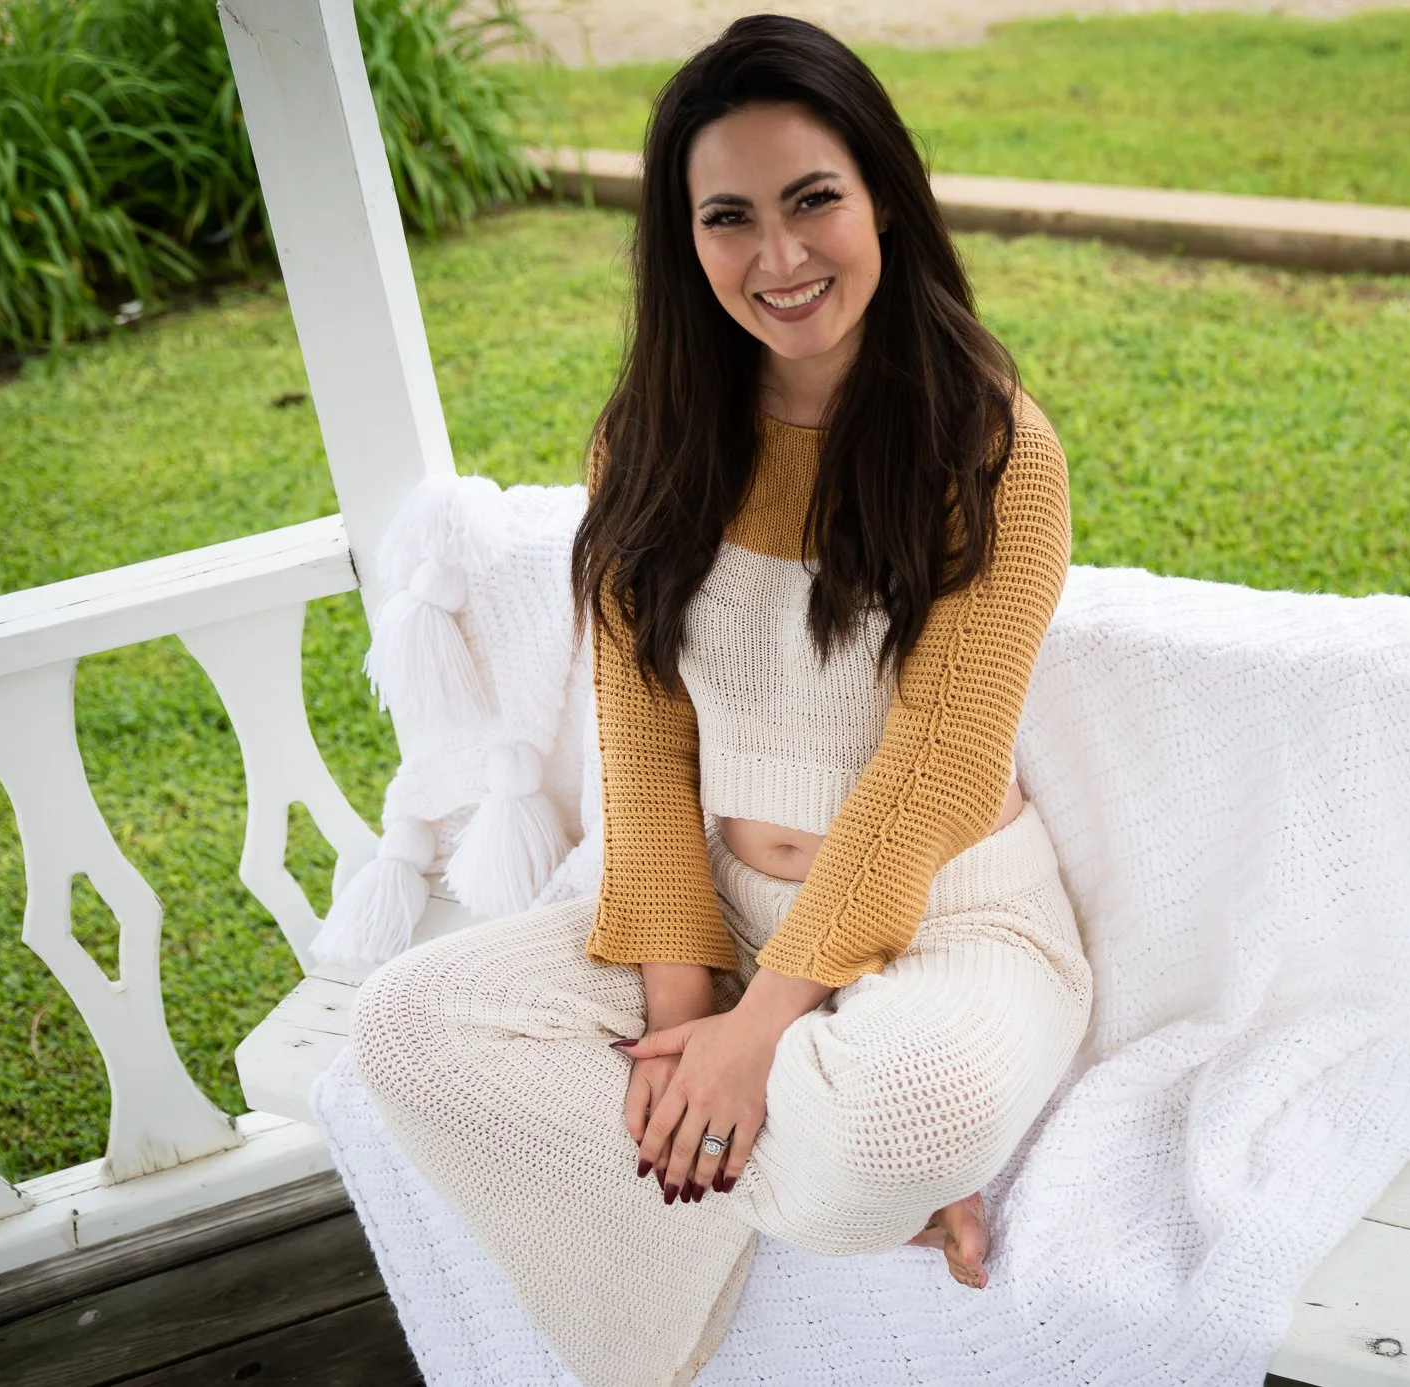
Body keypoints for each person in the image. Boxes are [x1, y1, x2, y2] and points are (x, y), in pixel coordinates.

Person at [350, 15, 1092, 1386]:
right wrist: (685, 1016)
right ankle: (827, 1204)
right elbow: (643, 748)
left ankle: (853, 1159)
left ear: (884, 197)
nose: (780, 256)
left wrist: (759, 1033)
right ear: (683, 240)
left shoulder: (991, 447)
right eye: (729, 218)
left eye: (814, 200)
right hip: (726, 910)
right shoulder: (651, 439)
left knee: (904, 1110)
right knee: (407, 1028)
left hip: (952, 920)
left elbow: (935, 767)